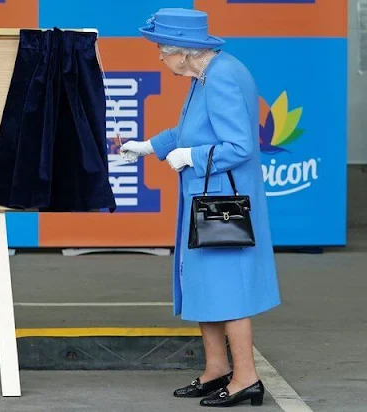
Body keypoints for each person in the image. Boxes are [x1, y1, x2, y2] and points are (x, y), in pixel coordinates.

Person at [120, 8, 281, 408]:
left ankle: (246, 378)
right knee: (206, 285)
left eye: (161, 49)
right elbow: (190, 130)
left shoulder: (222, 75)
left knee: (229, 289)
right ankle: (216, 370)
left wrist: (192, 156)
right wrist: (149, 147)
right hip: (206, 196)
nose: (158, 57)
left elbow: (241, 146)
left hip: (221, 202)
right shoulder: (207, 73)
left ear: (183, 51)